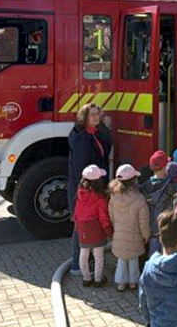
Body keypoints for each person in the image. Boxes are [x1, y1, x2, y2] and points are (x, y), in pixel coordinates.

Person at [68, 103, 112, 275]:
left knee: (91, 224)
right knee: (81, 225)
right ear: (83, 117)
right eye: (92, 114)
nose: (96, 117)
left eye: (97, 114)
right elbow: (82, 169)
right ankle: (77, 264)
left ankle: (88, 261)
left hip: (95, 186)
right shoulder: (81, 140)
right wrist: (90, 190)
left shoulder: (96, 134)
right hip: (85, 189)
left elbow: (105, 150)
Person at [109, 164, 150, 291]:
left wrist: (116, 227)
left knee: (121, 259)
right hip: (135, 235)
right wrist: (146, 235)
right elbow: (143, 220)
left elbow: (111, 215)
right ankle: (133, 282)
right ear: (134, 181)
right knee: (133, 260)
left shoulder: (114, 197)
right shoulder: (139, 198)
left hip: (119, 234)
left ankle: (120, 283)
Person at [73, 165, 112, 288]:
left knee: (83, 254)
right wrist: (109, 231)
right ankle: (98, 279)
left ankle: (86, 278)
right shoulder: (100, 198)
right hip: (96, 228)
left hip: (83, 228)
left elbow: (76, 213)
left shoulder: (79, 195)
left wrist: (77, 227)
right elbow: (104, 218)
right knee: (98, 256)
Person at [141, 151, 176, 257]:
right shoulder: (170, 185)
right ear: (165, 166)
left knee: (153, 254)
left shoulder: (145, 186)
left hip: (151, 227)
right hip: (166, 226)